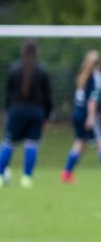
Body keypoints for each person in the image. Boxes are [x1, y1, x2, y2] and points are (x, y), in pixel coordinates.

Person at [61, 50, 101, 184]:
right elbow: (92, 99)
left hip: (77, 112)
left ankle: (66, 173)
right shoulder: (96, 76)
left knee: (80, 143)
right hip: (88, 113)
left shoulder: (83, 75)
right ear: (99, 63)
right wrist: (91, 116)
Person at [1, 41, 54, 188]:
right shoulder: (42, 71)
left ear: (22, 51)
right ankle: (27, 178)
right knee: (32, 144)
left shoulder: (15, 69)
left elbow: (8, 95)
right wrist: (48, 115)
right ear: (37, 52)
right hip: (36, 112)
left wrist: (8, 112)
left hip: (17, 110)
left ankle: (0, 175)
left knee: (9, 143)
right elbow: (48, 97)